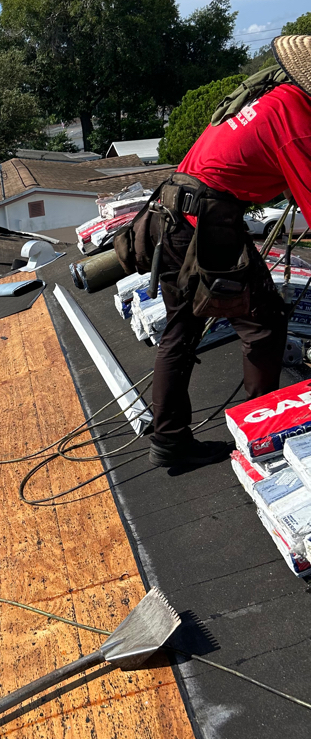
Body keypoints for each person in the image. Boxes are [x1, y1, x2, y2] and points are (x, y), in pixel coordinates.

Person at [129, 35, 311, 467]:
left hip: (167, 214)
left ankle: (169, 442)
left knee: (180, 330)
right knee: (262, 323)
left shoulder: (265, 98)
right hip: (204, 228)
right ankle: (266, 437)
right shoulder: (297, 117)